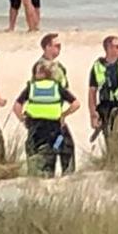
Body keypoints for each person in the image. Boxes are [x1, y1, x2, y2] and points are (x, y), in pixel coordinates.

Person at [13, 61, 79, 177]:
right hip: (55, 130)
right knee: (60, 147)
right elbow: (76, 104)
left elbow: (17, 106)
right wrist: (64, 114)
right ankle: (66, 174)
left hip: (35, 129)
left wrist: (22, 119)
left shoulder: (31, 88)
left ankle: (37, 177)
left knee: (34, 154)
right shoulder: (57, 87)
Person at [32, 33, 75, 174]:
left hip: (56, 113)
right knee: (58, 147)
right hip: (47, 117)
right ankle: (55, 174)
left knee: (63, 145)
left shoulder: (58, 66)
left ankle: (64, 174)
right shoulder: (42, 66)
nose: (59, 49)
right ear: (47, 47)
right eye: (56, 46)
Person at [88, 35, 118, 149]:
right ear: (109, 48)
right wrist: (93, 115)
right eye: (117, 47)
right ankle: (112, 162)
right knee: (110, 141)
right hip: (106, 107)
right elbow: (92, 92)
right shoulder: (97, 66)